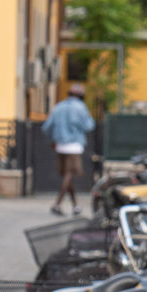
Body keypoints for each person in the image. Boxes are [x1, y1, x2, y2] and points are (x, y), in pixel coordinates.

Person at [42, 83, 96, 216]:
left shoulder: (58, 107)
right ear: (80, 96)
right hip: (74, 146)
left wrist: (53, 140)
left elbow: (46, 127)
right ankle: (57, 204)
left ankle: (75, 206)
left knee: (68, 176)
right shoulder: (81, 107)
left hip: (60, 145)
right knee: (70, 174)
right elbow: (89, 125)